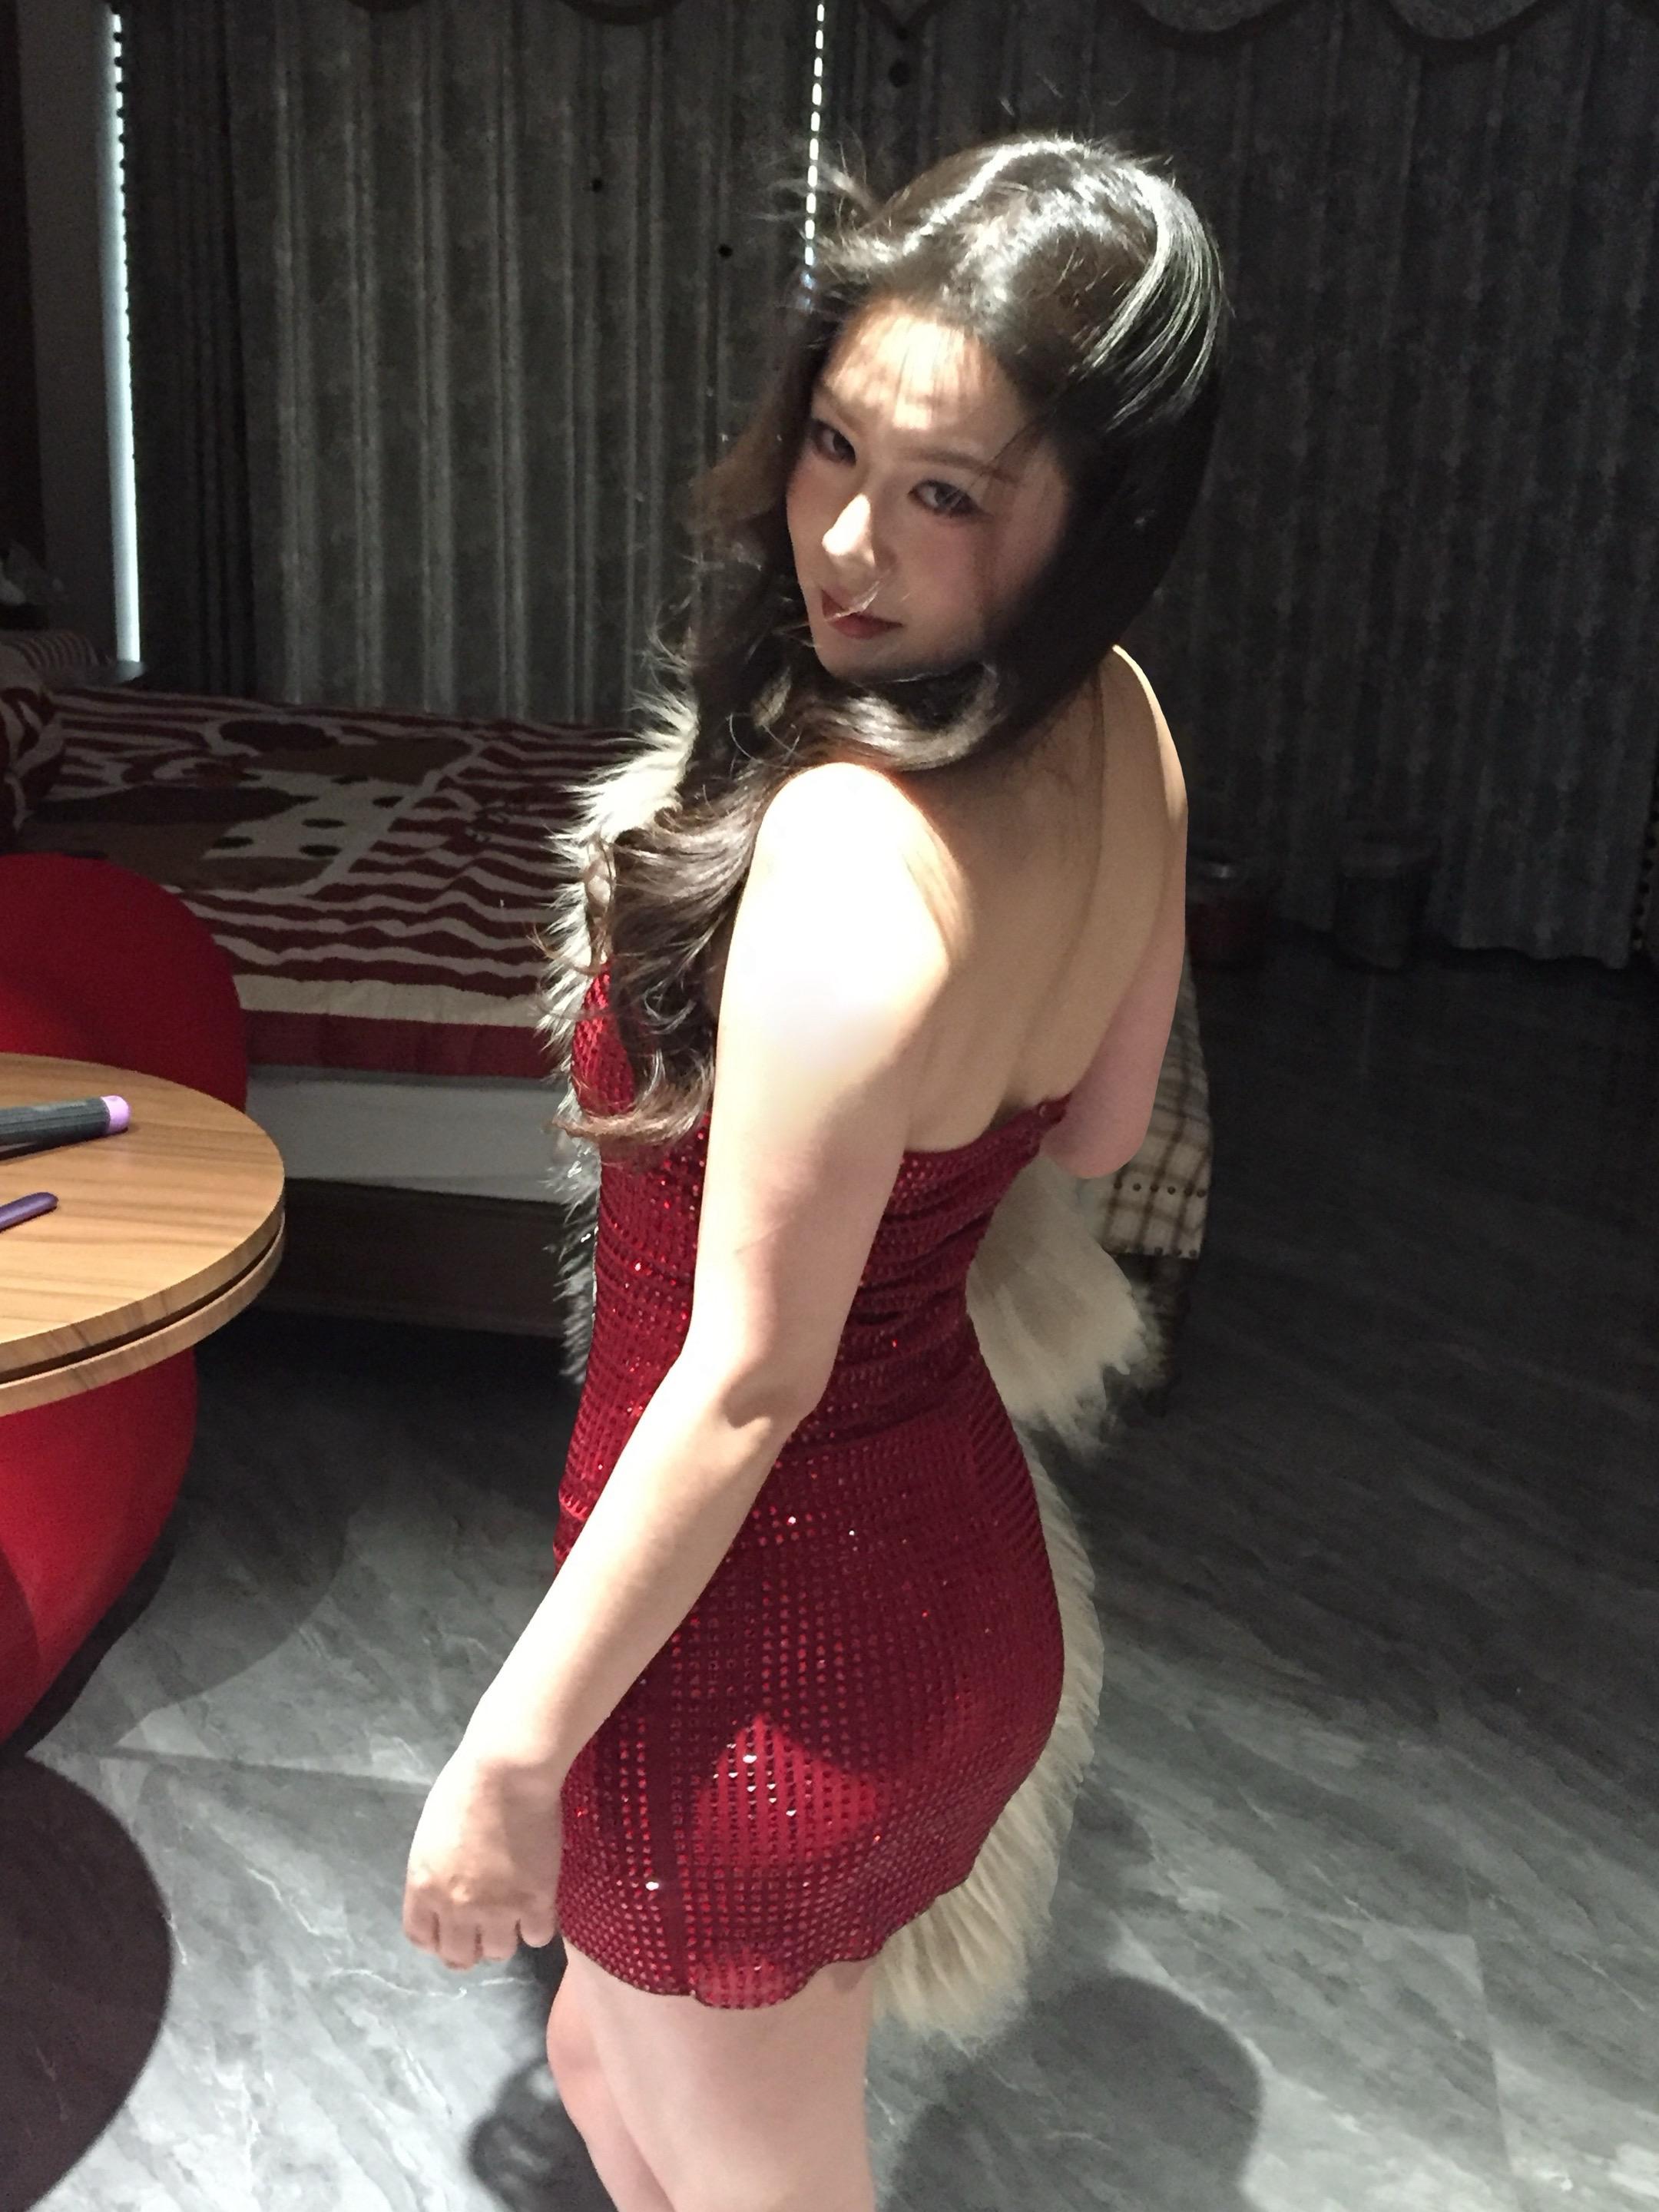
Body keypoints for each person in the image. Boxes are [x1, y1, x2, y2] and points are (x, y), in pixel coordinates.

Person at [402, 129, 1229, 2212]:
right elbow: (1101, 1133)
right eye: (834, 443)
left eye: (947, 493)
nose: (847, 538)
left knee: (761, 2169)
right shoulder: (1128, 726)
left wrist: (506, 1758)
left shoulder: (849, 858)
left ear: (1098, 517)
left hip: (763, 1666)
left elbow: (743, 1385)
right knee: (597, 2052)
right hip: (956, 1592)